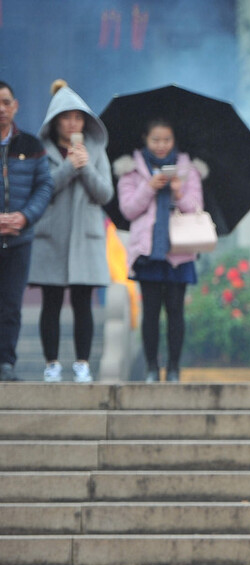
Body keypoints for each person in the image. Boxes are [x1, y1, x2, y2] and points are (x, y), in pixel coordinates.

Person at [28, 80, 113, 383]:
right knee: (51, 302)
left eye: (78, 118)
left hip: (86, 238)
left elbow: (105, 195)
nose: (72, 123)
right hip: (51, 237)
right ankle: (51, 363)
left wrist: (85, 166)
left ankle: (82, 364)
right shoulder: (41, 151)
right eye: (66, 117)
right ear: (55, 121)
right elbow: (39, 190)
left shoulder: (96, 151)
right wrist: (67, 167)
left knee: (82, 302)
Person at [114, 119, 206, 382]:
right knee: (151, 312)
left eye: (167, 139)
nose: (161, 145)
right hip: (147, 251)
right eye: (156, 139)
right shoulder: (130, 170)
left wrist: (178, 192)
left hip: (180, 250)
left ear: (174, 140)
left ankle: (174, 368)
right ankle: (152, 367)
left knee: (176, 311)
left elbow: (195, 207)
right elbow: (128, 209)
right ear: (145, 139)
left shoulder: (188, 169)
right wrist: (149, 187)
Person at [0, 81, 53, 383]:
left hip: (20, 239)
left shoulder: (31, 146)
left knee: (10, 304)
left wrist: (24, 217)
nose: (1, 109)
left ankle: (6, 362)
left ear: (15, 105)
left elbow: (45, 185)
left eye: (6, 102)